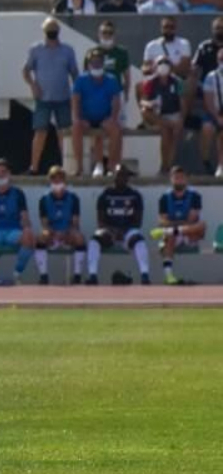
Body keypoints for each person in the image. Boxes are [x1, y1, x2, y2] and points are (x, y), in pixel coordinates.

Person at [23, 18, 79, 174]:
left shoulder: (68, 50)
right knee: (40, 132)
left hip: (63, 97)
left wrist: (76, 94)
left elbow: (74, 73)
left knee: (64, 133)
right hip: (43, 98)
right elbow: (26, 70)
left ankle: (67, 167)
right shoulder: (36, 49)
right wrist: (33, 85)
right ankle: (34, 167)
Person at [0, 159, 36, 286]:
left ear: (9, 174)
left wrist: (27, 228)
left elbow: (24, 217)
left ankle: (16, 274)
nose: (1, 174)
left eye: (3, 172)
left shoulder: (18, 194)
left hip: (13, 232)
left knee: (29, 236)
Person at [90, 164, 150, 285]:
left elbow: (138, 222)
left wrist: (123, 232)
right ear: (114, 177)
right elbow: (100, 222)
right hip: (109, 232)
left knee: (140, 240)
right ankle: (92, 276)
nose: (122, 178)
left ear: (128, 178)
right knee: (94, 241)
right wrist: (113, 231)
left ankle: (145, 276)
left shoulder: (135, 196)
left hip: (128, 232)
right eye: (119, 175)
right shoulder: (105, 195)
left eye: (124, 176)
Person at [71, 47, 124, 177]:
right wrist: (77, 118)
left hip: (105, 118)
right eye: (93, 62)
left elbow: (116, 101)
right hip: (86, 119)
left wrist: (113, 118)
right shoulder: (81, 80)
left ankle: (111, 166)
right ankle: (79, 167)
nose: (96, 65)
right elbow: (75, 100)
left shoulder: (111, 79)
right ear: (88, 64)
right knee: (76, 127)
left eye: (99, 62)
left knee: (116, 129)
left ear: (103, 63)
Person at [154, 166, 205, 285]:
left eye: (181, 178)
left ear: (186, 179)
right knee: (170, 236)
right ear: (171, 179)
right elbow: (162, 221)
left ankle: (170, 232)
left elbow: (192, 220)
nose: (179, 180)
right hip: (175, 235)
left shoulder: (194, 196)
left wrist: (173, 226)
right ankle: (168, 275)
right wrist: (174, 226)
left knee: (202, 226)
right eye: (176, 178)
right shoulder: (164, 197)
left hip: (190, 234)